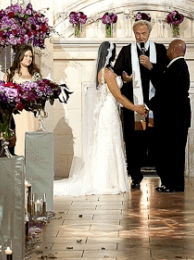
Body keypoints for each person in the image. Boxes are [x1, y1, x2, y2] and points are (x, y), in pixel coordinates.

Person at [55, 42, 148, 196]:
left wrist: (125, 79)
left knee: (107, 143)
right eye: (115, 53)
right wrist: (136, 108)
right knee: (109, 143)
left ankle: (109, 179)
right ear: (110, 54)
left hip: (108, 110)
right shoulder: (108, 73)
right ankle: (106, 181)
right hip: (109, 111)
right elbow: (118, 96)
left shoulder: (103, 72)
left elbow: (114, 87)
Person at [112, 20, 169, 188]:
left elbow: (166, 73)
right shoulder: (126, 51)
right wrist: (124, 78)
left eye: (143, 33)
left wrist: (152, 66)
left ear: (149, 33)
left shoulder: (159, 49)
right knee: (134, 140)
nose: (140, 36)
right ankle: (135, 176)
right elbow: (116, 74)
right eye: (137, 33)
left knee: (156, 139)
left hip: (154, 105)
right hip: (133, 105)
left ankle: (162, 174)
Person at [149, 39, 192, 193]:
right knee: (170, 152)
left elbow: (166, 90)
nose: (167, 50)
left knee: (173, 153)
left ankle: (174, 184)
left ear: (174, 49)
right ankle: (170, 183)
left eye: (169, 48)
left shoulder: (179, 66)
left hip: (174, 119)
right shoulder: (175, 66)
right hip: (174, 118)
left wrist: (148, 105)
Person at [6, 45, 41, 158]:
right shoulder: (11, 73)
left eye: (30, 56)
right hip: (18, 113)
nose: (28, 58)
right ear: (19, 56)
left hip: (32, 113)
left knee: (32, 139)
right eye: (25, 56)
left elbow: (40, 92)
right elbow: (4, 92)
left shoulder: (36, 74)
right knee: (20, 140)